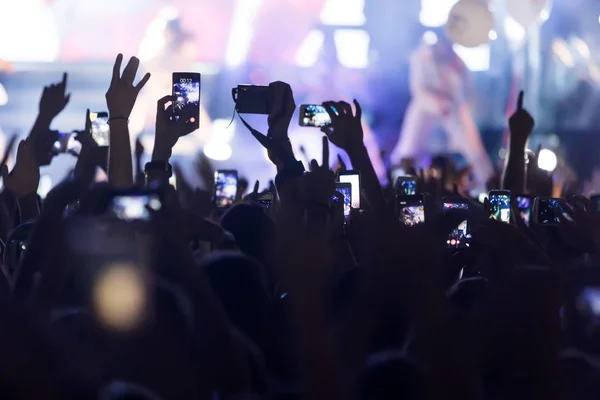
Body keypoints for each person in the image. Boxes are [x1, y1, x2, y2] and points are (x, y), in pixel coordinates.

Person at [390, 31, 494, 186]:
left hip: (452, 108)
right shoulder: (420, 57)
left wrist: (455, 73)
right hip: (424, 107)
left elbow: (467, 92)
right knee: (408, 148)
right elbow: (418, 90)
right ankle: (397, 182)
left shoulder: (457, 62)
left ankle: (489, 182)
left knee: (474, 149)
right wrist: (436, 102)